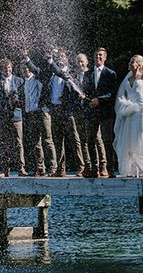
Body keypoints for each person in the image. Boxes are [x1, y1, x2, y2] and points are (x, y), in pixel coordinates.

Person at [0, 58, 26, 177]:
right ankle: (5, 170)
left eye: (9, 68)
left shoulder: (19, 80)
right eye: (5, 68)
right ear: (2, 70)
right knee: (4, 143)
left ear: (12, 68)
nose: (7, 70)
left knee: (18, 142)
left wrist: (17, 101)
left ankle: (21, 168)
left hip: (16, 115)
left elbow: (24, 96)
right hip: (2, 115)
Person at [113, 54, 143, 177]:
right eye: (130, 61)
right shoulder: (127, 79)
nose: (130, 63)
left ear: (139, 64)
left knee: (142, 135)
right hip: (130, 109)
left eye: (133, 61)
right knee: (130, 136)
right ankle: (132, 169)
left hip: (142, 108)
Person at [82, 47, 118, 177]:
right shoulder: (88, 73)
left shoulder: (110, 73)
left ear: (105, 57)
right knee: (90, 140)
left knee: (107, 141)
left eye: (100, 55)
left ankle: (110, 169)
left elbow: (112, 93)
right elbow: (85, 90)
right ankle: (94, 169)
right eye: (96, 55)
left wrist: (99, 100)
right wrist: (84, 97)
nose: (98, 58)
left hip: (105, 112)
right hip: (91, 111)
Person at [20, 57, 58, 177]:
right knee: (35, 142)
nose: (25, 70)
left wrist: (28, 59)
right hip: (31, 113)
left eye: (27, 67)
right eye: (23, 68)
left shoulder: (38, 78)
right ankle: (40, 167)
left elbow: (38, 71)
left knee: (48, 140)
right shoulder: (22, 82)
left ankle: (53, 167)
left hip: (42, 112)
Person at [49, 51, 85, 177]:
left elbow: (74, 90)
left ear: (67, 59)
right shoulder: (52, 74)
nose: (60, 59)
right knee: (58, 141)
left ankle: (81, 167)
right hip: (55, 109)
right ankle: (60, 169)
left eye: (62, 57)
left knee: (74, 139)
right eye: (58, 57)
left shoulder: (71, 73)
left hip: (68, 110)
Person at [74, 53, 94, 177]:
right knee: (82, 140)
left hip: (91, 110)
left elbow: (94, 91)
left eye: (82, 61)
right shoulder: (75, 76)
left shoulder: (91, 74)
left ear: (87, 62)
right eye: (78, 62)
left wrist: (86, 97)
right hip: (79, 111)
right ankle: (86, 166)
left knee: (94, 139)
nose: (80, 64)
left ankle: (99, 167)